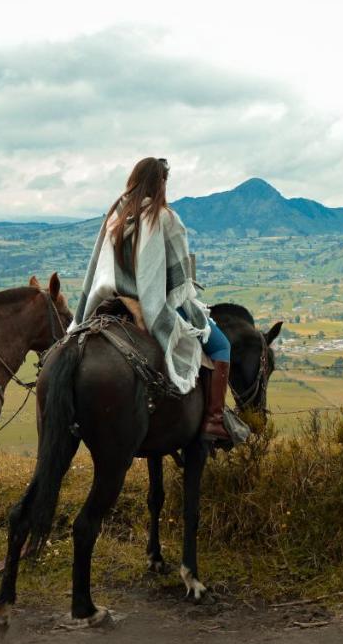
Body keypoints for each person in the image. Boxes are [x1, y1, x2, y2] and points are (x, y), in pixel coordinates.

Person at [73, 157, 234, 446]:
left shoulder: (114, 217)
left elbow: (98, 266)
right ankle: (214, 419)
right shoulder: (165, 218)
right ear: (160, 182)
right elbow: (180, 282)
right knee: (222, 345)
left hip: (111, 300)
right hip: (152, 305)